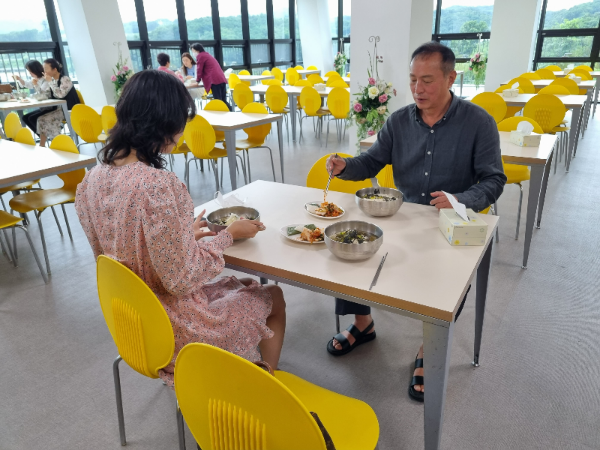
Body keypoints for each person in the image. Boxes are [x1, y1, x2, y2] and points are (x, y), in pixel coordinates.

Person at [74, 70, 286, 386]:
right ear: (164, 123)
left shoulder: (92, 179)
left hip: (134, 319)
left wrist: (183, 235)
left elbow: (120, 244)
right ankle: (268, 389)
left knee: (241, 283)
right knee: (274, 295)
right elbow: (180, 279)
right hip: (177, 325)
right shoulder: (156, 185)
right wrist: (228, 235)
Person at [325, 41, 506, 402]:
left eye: (427, 80)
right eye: (412, 80)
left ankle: (428, 347)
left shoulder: (478, 123)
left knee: (448, 282)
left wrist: (460, 199)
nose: (417, 89)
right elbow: (372, 161)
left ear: (451, 78)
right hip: (404, 215)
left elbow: (493, 180)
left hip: (450, 220)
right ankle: (363, 323)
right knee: (351, 251)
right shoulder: (399, 121)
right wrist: (346, 165)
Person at [36, 58, 80, 147]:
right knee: (40, 119)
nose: (44, 71)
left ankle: (60, 145)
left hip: (69, 109)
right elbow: (47, 95)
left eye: (46, 68)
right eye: (43, 69)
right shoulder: (52, 80)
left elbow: (60, 95)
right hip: (59, 109)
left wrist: (50, 82)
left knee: (46, 119)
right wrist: (39, 84)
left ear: (55, 69)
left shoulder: (65, 79)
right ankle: (44, 145)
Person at [12, 60, 53, 136]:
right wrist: (19, 79)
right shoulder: (37, 79)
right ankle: (42, 136)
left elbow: (41, 93)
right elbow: (27, 84)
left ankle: (44, 136)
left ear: (35, 70)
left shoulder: (45, 79)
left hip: (50, 107)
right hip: (43, 107)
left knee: (31, 118)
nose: (30, 73)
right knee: (25, 118)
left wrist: (35, 85)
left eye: (30, 71)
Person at [190, 43, 232, 111]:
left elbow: (199, 69)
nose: (193, 53)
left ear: (197, 50)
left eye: (193, 51)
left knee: (218, 101)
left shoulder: (200, 56)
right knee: (223, 100)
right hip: (221, 79)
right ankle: (231, 113)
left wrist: (197, 81)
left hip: (214, 80)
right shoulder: (207, 55)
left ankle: (225, 114)